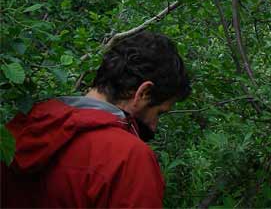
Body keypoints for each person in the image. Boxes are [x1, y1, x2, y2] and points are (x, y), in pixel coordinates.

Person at [1, 31, 190, 208]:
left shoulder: (18, 130)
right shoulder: (128, 158)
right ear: (143, 93)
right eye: (159, 112)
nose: (154, 126)